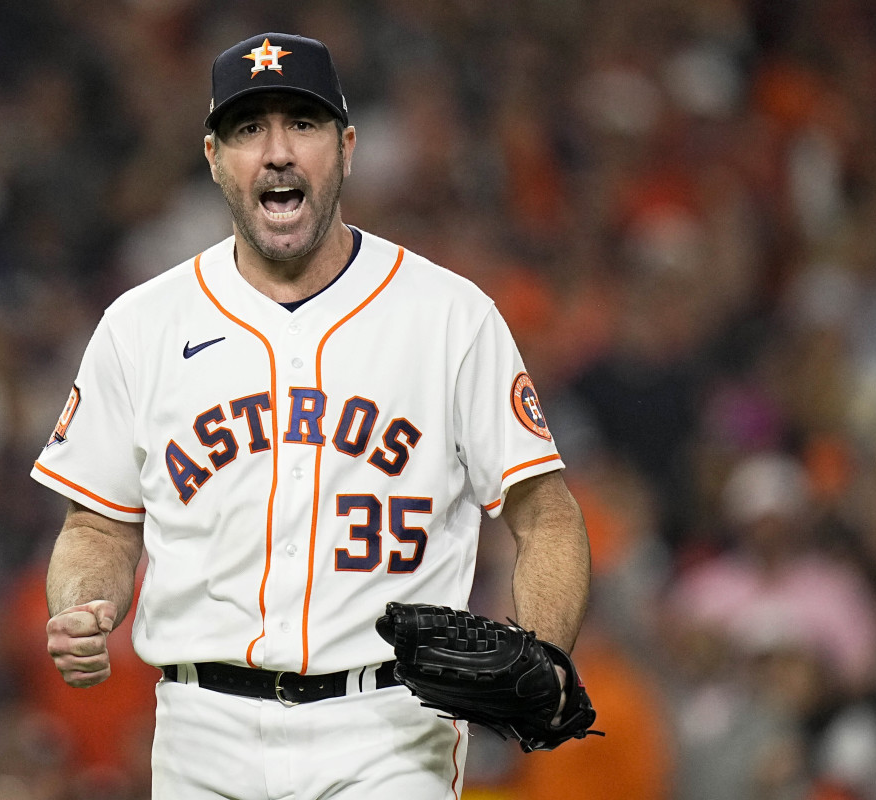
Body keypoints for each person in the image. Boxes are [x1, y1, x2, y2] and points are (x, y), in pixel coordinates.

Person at [34, 32, 591, 799]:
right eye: (246, 129)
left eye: (302, 123)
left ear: (348, 146)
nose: (276, 152)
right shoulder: (141, 324)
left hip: (388, 730)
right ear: (212, 156)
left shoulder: (449, 316)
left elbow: (547, 518)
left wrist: (546, 655)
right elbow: (97, 525)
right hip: (202, 730)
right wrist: (83, 603)